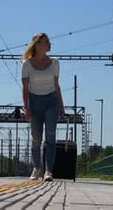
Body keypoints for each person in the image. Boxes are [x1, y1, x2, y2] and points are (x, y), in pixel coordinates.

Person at [21, 32, 65, 181]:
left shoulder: (55, 63)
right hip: (34, 102)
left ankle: (48, 171)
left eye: (49, 42)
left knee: (50, 136)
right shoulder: (26, 64)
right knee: (36, 137)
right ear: (38, 45)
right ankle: (37, 168)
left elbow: (56, 85)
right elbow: (25, 88)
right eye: (46, 42)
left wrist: (61, 105)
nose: (49, 44)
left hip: (51, 101)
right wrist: (26, 108)